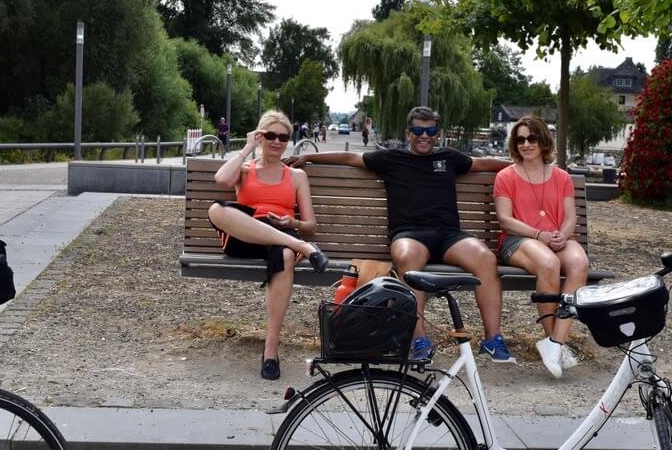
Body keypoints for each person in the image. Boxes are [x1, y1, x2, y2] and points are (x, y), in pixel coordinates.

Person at [287, 105, 515, 362]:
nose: (424, 136)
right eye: (418, 130)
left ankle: (492, 340)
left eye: (430, 131)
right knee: (407, 259)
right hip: (410, 234)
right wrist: (309, 158)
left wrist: (520, 163)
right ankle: (419, 340)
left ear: (438, 134)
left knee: (486, 259)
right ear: (408, 133)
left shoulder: (450, 158)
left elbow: (482, 163)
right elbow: (351, 159)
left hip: (449, 235)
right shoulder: (391, 158)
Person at [208, 110, 329, 379]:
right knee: (216, 210)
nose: (277, 141)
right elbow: (220, 180)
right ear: (260, 136)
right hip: (245, 234)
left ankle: (271, 349)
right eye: (270, 135)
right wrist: (248, 147)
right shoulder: (244, 169)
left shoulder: (296, 176)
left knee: (285, 255)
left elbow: (310, 224)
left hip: (282, 233)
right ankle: (302, 248)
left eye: (283, 137)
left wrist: (292, 222)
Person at [494, 115, 590, 377]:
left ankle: (555, 342)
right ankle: (553, 343)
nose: (526, 144)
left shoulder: (562, 177)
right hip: (519, 240)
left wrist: (561, 234)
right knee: (549, 263)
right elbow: (505, 220)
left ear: (543, 141)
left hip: (558, 238)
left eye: (531, 138)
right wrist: (539, 234)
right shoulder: (506, 176)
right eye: (520, 139)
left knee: (580, 263)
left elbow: (571, 217)